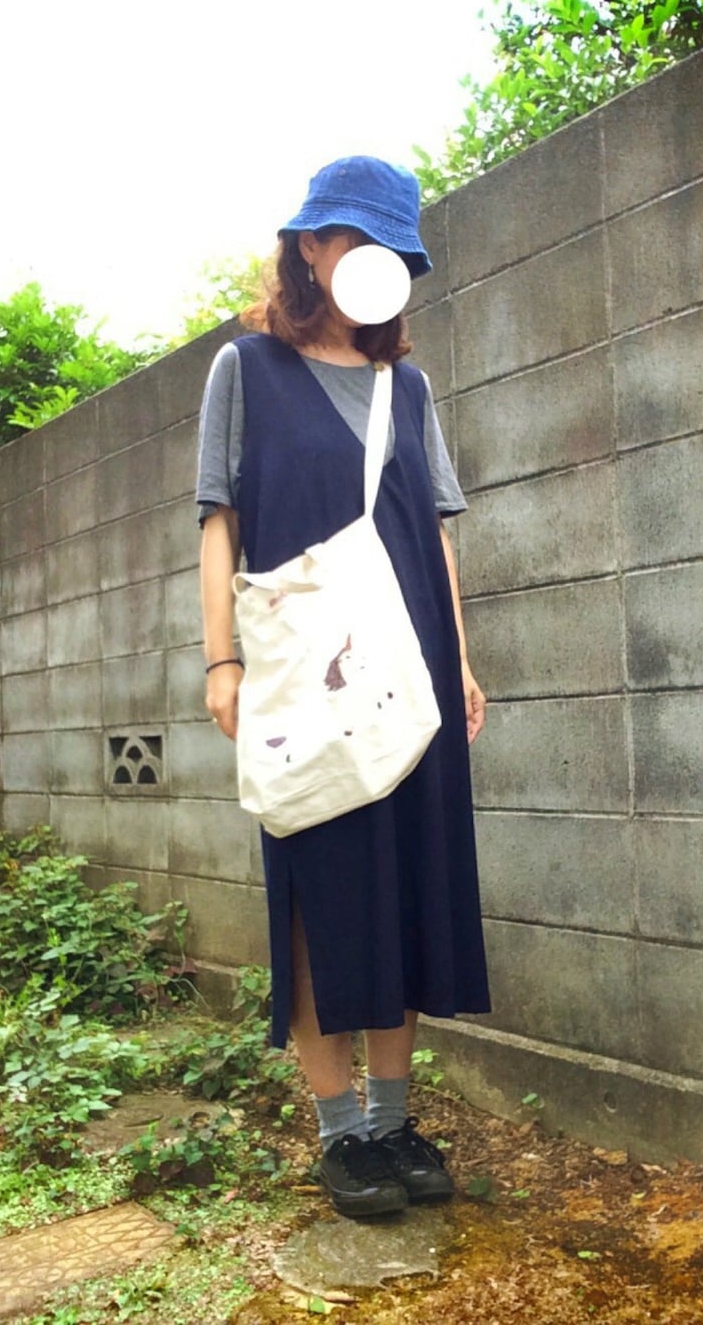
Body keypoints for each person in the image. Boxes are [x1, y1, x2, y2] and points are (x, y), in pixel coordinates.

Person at [196, 155, 491, 1219]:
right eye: (355, 239)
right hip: (304, 678)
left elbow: (435, 537)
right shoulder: (246, 368)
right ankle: (339, 1135)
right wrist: (220, 658)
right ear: (311, 247)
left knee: (409, 884)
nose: (374, 261)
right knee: (319, 887)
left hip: (409, 674)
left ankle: (392, 1121)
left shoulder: (406, 387)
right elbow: (219, 519)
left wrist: (459, 659)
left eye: (393, 249)